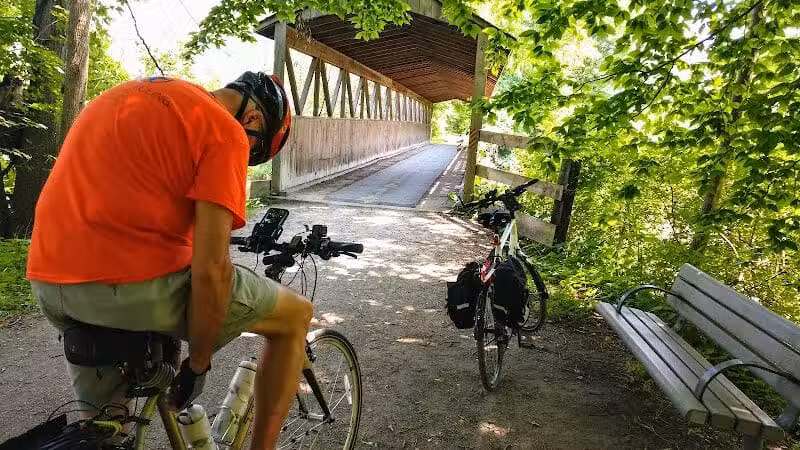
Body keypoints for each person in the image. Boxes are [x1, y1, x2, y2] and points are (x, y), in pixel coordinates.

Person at [26, 72, 310, 449]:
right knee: (295, 316)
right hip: (125, 290)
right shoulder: (223, 128)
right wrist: (198, 365)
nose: (246, 156)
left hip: (49, 281)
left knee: (102, 435)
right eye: (253, 151)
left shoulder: (124, 94)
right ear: (254, 119)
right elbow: (211, 271)